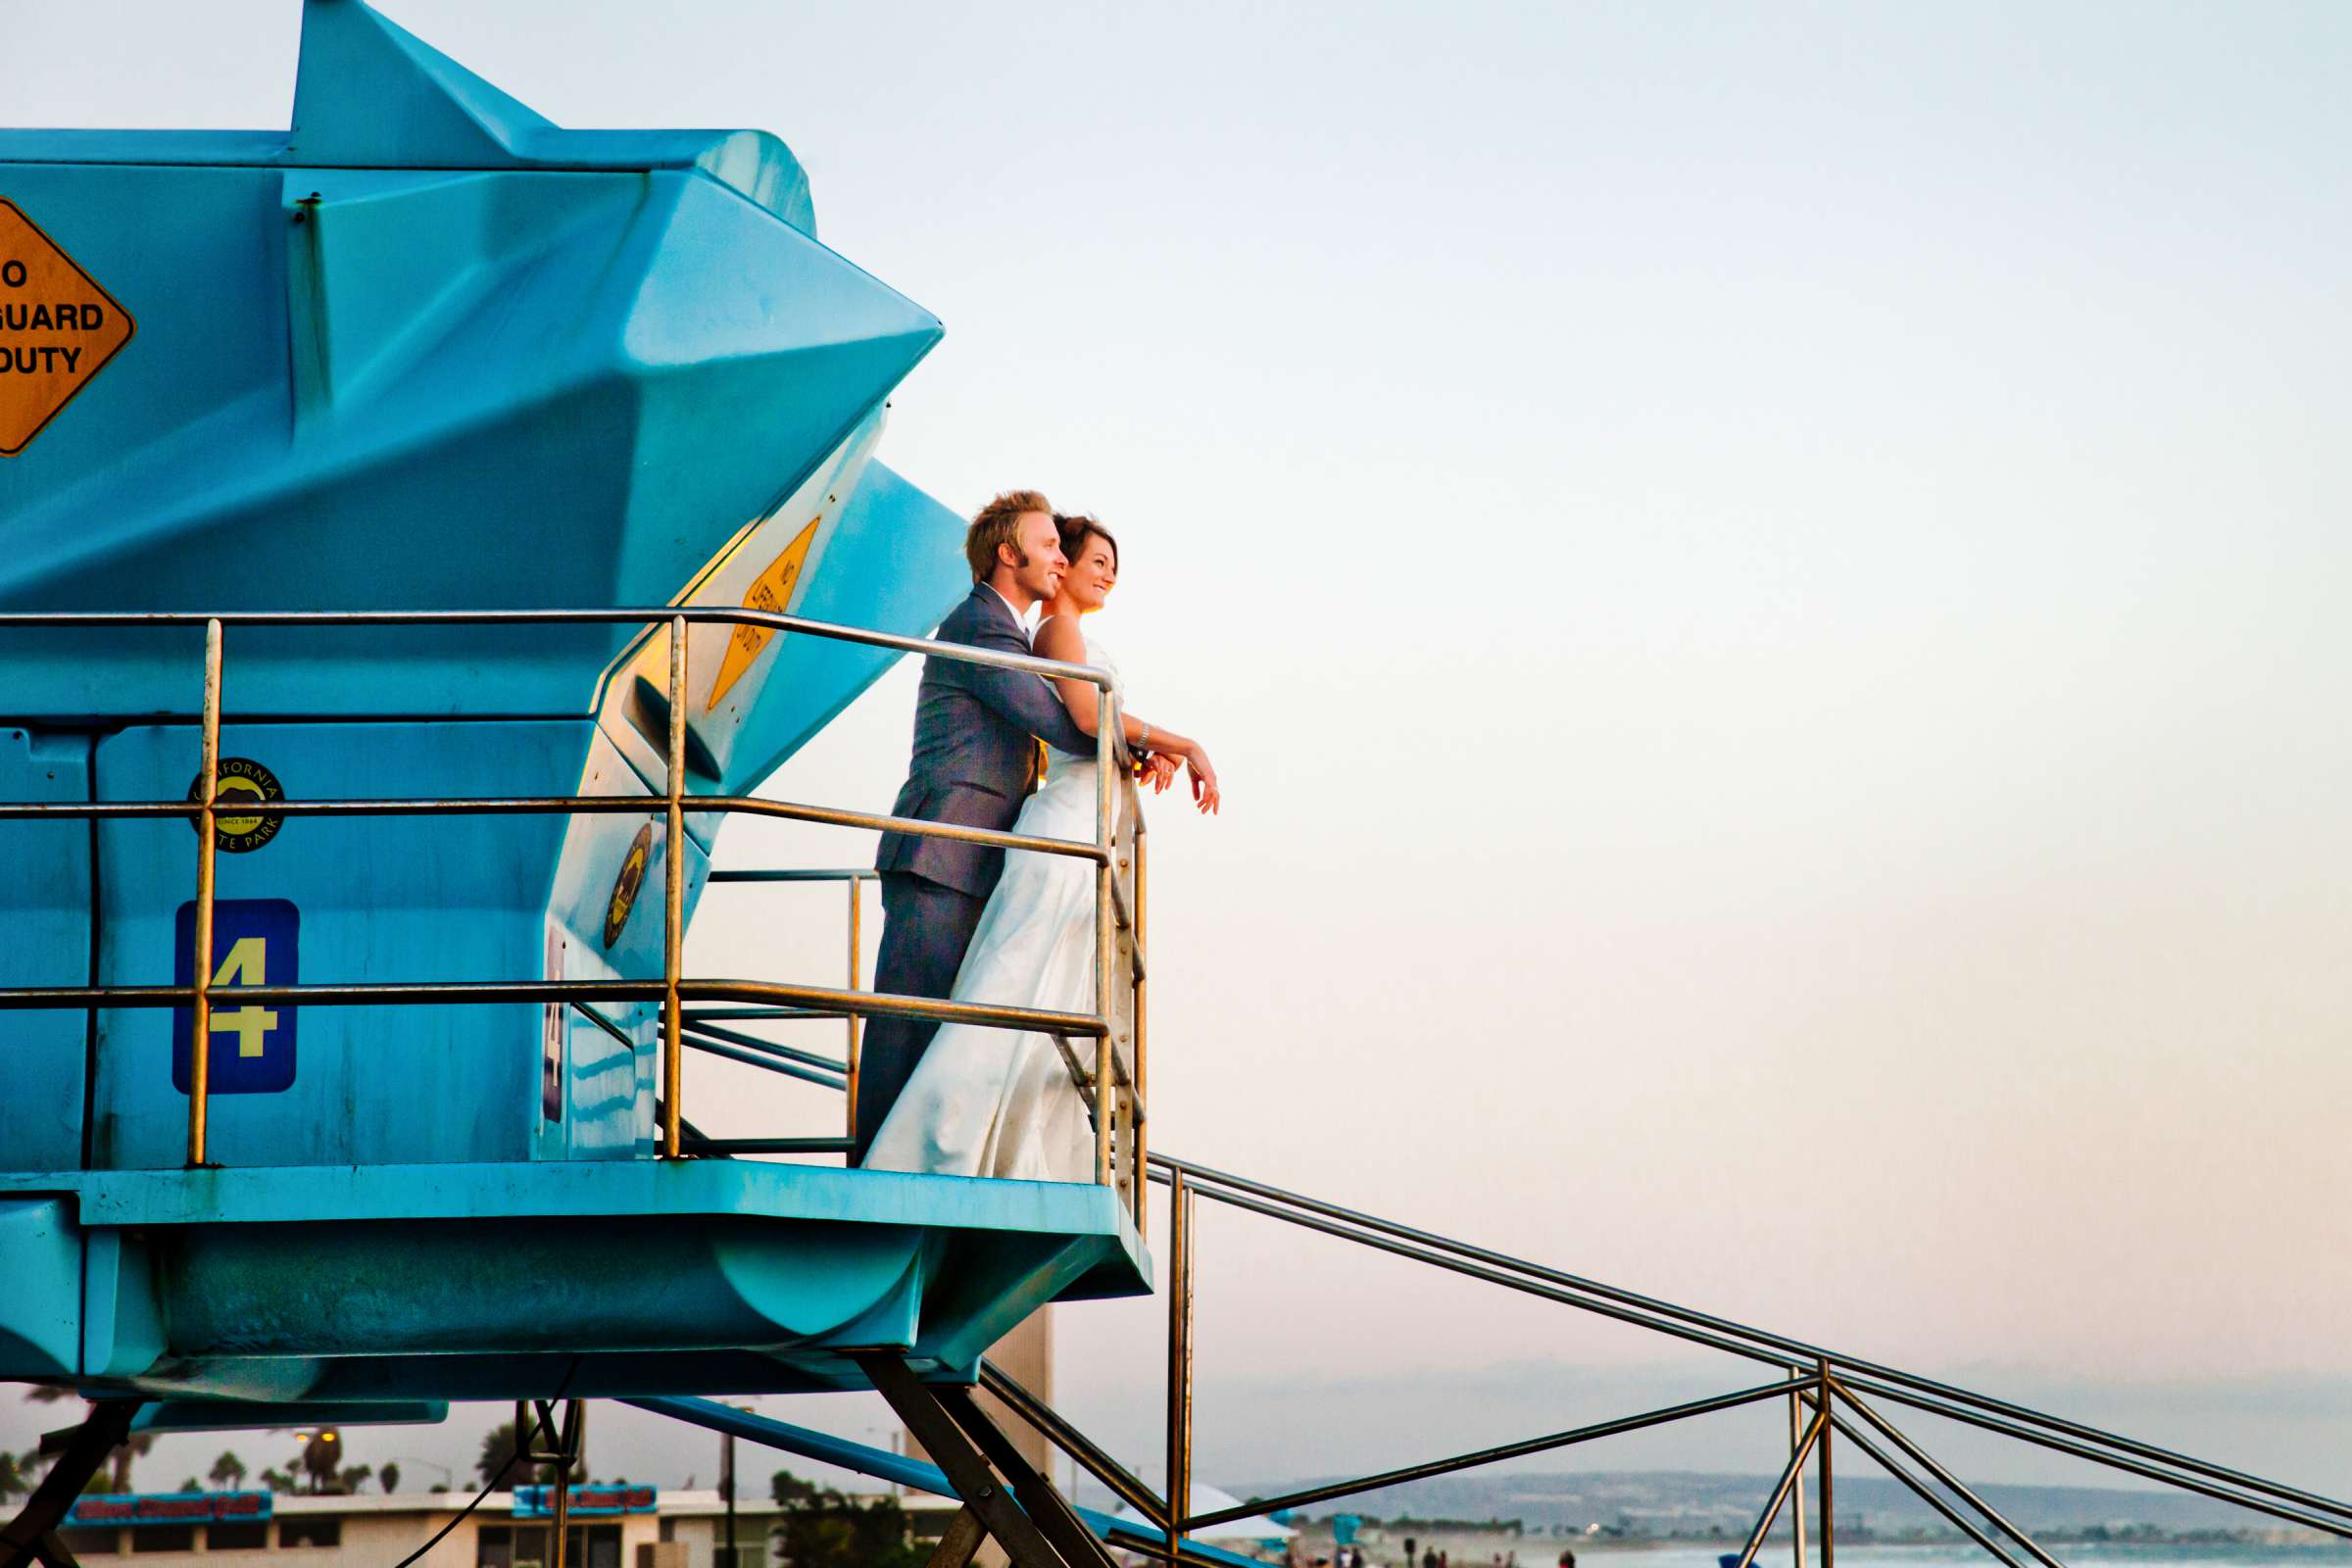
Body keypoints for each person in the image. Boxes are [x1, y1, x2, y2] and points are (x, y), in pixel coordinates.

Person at [861, 511, 1216, 1179]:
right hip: (940, 849)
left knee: (983, 999)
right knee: (908, 1024)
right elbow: (1068, 718)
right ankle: (886, 1170)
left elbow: (1072, 720)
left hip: (975, 853)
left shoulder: (1022, 632)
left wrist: (1135, 749)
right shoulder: (981, 623)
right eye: (1052, 545)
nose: (1061, 557)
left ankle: (956, 1155)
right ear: (1007, 553)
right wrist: (1164, 744)